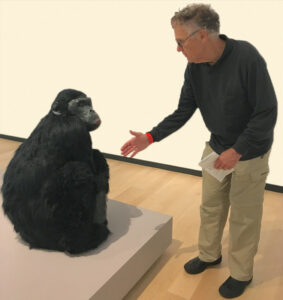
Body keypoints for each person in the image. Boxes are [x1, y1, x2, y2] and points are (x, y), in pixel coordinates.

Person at [120, 3, 277, 298]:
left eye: (181, 42)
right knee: (211, 206)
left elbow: (267, 112)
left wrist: (238, 149)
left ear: (202, 35)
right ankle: (209, 255)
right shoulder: (194, 68)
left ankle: (241, 273)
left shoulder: (247, 57)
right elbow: (183, 110)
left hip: (250, 153)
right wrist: (151, 137)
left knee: (244, 216)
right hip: (216, 146)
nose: (178, 49)